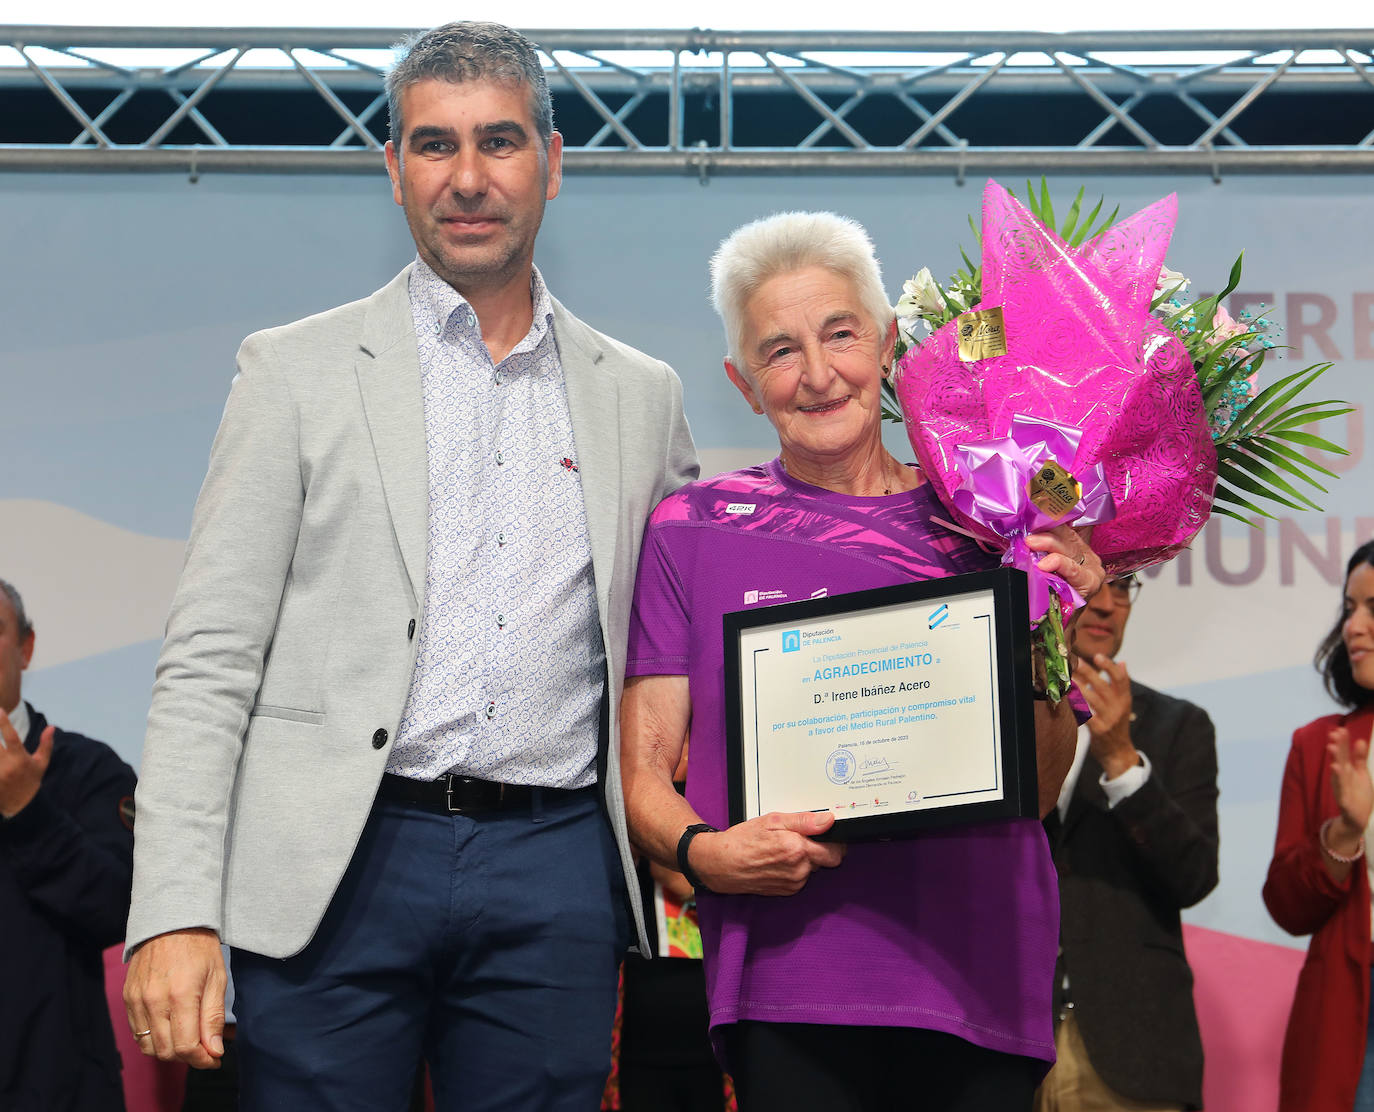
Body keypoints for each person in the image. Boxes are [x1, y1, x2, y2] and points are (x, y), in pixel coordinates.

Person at [122, 21, 698, 1111]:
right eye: (434, 145)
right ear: (392, 169)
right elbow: (207, 661)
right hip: (337, 865)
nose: (468, 178)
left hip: (556, 865)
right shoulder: (292, 371)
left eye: (500, 142)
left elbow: (685, 631)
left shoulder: (642, 393)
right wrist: (174, 906)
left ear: (554, 162)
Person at [620, 211, 1105, 1111]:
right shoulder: (692, 532)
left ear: (886, 343)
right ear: (742, 380)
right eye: (778, 350)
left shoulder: (988, 521)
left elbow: (1038, 791)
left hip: (979, 978)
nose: (817, 374)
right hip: (787, 981)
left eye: (840, 334)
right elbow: (642, 773)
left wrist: (1051, 620)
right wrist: (706, 850)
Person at [1036, 574, 1220, 1112]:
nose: (1109, 605)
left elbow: (1194, 876)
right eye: (1098, 584)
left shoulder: (1178, 726)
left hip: (1132, 1051)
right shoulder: (1008, 716)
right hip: (1014, 1041)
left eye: (1126, 588)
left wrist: (1120, 758)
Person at [0, 576, 137, 1111]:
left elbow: (120, 908)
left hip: (58, 1084)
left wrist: (28, 812)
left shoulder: (88, 770)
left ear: (26, 647)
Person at [1264, 539, 1374, 1112]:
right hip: (1351, 1015)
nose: (1354, 626)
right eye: (1349, 608)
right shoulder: (1320, 746)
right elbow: (1286, 905)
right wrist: (1343, 834)